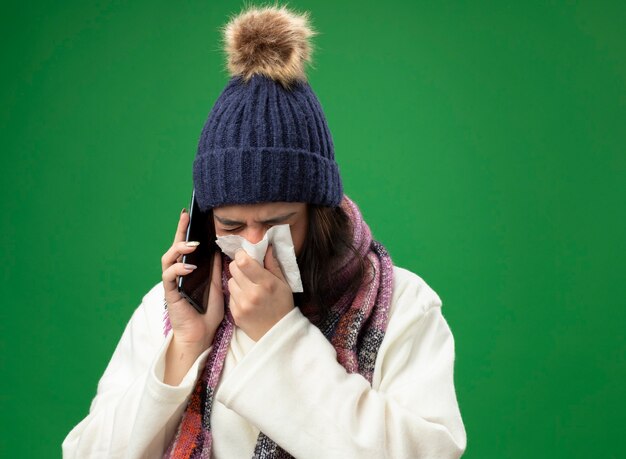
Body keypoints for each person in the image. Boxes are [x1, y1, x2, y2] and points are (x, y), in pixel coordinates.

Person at [63, 4, 466, 458]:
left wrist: (279, 336)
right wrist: (186, 345)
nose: (252, 246)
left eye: (277, 223)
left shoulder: (400, 305)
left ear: (318, 213)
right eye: (231, 225)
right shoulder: (172, 311)